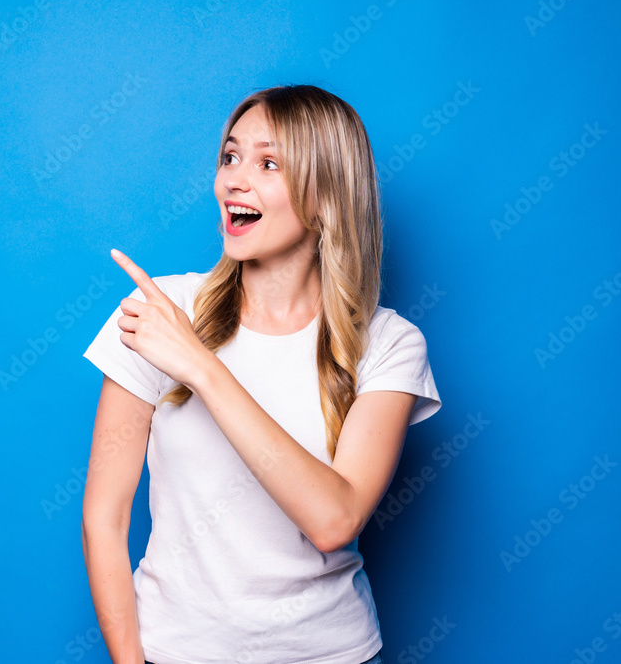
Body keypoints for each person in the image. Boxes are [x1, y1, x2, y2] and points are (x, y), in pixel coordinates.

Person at [80, 84, 441, 664]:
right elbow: (105, 516)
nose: (233, 180)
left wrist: (200, 366)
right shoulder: (159, 312)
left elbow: (335, 520)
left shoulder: (389, 344)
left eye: (268, 162)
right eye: (230, 156)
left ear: (327, 194)